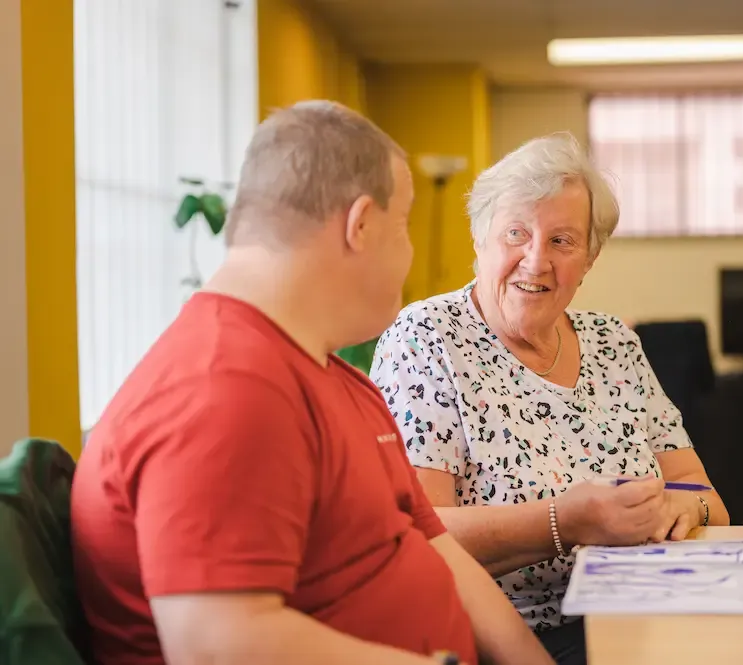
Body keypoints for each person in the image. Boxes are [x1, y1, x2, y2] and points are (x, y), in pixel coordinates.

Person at [70, 101, 555, 665]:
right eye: (403, 227)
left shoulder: (334, 380)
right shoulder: (224, 389)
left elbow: (436, 548)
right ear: (363, 224)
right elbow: (216, 646)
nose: (408, 253)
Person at [369, 133, 730, 665]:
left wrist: (679, 507)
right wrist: (566, 521)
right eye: (516, 233)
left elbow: (710, 501)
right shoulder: (427, 337)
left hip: (641, 616)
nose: (536, 261)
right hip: (504, 637)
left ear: (589, 258)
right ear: (479, 239)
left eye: (562, 241)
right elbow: (417, 534)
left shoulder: (613, 343)